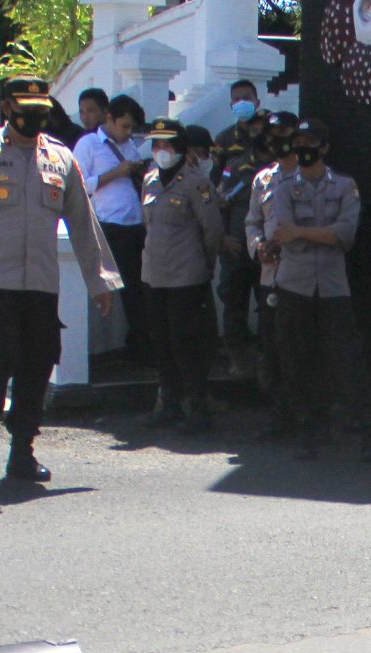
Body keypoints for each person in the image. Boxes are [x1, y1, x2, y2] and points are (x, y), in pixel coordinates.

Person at [0, 75, 120, 485]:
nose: (33, 119)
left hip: (39, 284)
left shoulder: (60, 158)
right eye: (25, 111)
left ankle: (22, 453)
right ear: (7, 109)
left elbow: (84, 224)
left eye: (41, 112)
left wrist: (100, 279)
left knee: (37, 366)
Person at [260, 117, 362, 454]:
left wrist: (302, 233)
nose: (303, 149)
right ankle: (305, 424)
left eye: (310, 143)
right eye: (299, 142)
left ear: (325, 148)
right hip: (294, 285)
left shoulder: (345, 186)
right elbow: (281, 233)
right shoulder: (284, 186)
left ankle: (342, 423)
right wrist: (321, 234)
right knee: (295, 358)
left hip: (333, 286)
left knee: (339, 356)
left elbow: (345, 234)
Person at [138, 119, 224, 431]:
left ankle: (198, 408)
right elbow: (150, 226)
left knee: (185, 343)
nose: (162, 151)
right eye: (157, 145)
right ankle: (169, 404)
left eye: (168, 145)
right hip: (154, 275)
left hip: (186, 276)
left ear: (182, 149)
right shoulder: (149, 181)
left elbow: (212, 231)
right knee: (161, 342)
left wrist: (204, 264)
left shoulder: (196, 184)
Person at [75, 93, 150, 361]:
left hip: (137, 226)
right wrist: (117, 173)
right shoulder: (89, 145)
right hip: (110, 227)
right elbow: (79, 185)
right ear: (110, 119)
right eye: (124, 126)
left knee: (139, 290)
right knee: (117, 290)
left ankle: (141, 345)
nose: (127, 133)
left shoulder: (129, 146)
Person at [243, 113, 299, 405]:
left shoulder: (311, 175)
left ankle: (304, 415)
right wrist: (258, 246)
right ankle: (278, 414)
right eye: (273, 133)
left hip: (302, 277)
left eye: (284, 132)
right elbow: (252, 221)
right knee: (271, 345)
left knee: (298, 349)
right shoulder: (263, 179)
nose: (278, 138)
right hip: (269, 276)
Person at [214, 110, 273, 369]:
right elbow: (218, 204)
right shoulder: (236, 166)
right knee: (234, 304)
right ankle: (236, 358)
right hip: (236, 248)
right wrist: (223, 238)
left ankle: (266, 359)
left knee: (269, 306)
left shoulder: (281, 169)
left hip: (268, 251)